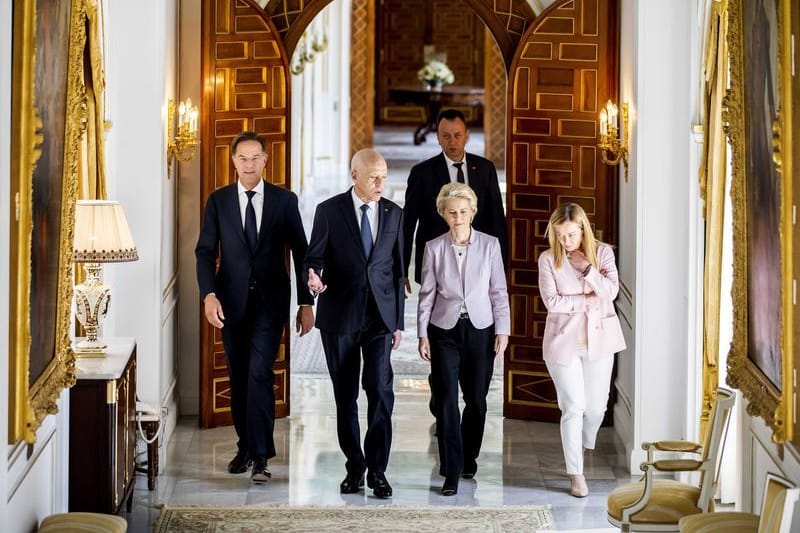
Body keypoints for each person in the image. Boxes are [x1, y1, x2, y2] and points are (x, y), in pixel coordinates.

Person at [195, 131, 314, 484]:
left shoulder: (284, 201)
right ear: (233, 161)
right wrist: (209, 295)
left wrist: (306, 303)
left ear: (265, 160)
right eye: (242, 158)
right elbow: (204, 252)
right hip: (229, 303)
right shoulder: (217, 201)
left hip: (270, 302)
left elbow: (302, 251)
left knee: (261, 372)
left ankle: (261, 456)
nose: (249, 164)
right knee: (239, 374)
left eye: (255, 158)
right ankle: (245, 446)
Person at [303, 148, 405, 499]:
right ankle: (354, 467)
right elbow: (313, 258)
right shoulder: (328, 211)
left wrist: (398, 322)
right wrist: (312, 279)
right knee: (345, 396)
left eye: (384, 176)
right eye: (374, 177)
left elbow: (397, 270)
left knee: (379, 390)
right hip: (340, 315)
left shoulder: (394, 213)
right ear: (354, 176)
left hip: (379, 318)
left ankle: (378, 470)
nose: (381, 183)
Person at [417, 183, 510, 496]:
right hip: (443, 331)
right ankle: (452, 470)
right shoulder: (433, 247)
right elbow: (427, 294)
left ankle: (468, 455)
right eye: (452, 212)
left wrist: (503, 330)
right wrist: (421, 334)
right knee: (446, 402)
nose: (458, 217)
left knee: (477, 402)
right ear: (444, 214)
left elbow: (498, 290)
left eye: (463, 211)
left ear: (473, 212)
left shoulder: (490, 245)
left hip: (481, 329)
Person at [537, 203, 626, 498]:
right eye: (560, 235)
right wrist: (586, 300)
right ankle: (576, 474)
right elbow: (552, 302)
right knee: (573, 407)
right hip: (563, 344)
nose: (566, 241)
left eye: (571, 235)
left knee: (596, 408)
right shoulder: (548, 260)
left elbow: (611, 292)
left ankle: (584, 444)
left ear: (582, 229)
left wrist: (587, 269)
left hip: (599, 342)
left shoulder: (602, 254)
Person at [403, 108, 507, 289]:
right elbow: (407, 223)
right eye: (446, 136)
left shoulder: (485, 169)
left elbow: (497, 218)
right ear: (437, 137)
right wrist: (401, 270)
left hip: (478, 259)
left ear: (467, 135)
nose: (452, 142)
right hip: (436, 262)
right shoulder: (421, 173)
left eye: (458, 135)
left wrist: (502, 265)